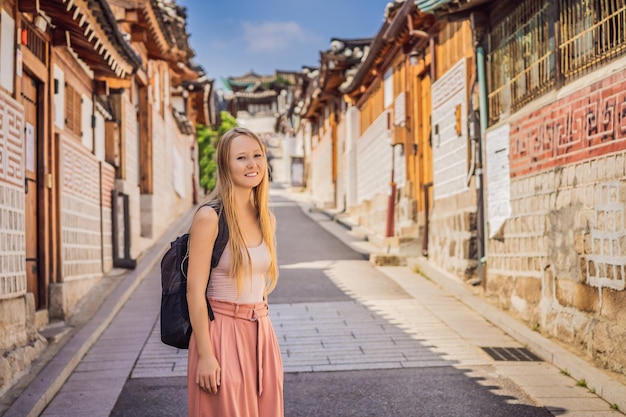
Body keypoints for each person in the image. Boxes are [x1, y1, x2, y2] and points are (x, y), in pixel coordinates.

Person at [186, 127, 283, 417]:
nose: (252, 164)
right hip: (221, 333)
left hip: (261, 333)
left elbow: (259, 281)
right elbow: (194, 291)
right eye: (241, 157)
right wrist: (205, 355)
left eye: (257, 155)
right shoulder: (209, 217)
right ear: (226, 165)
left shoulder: (266, 218)